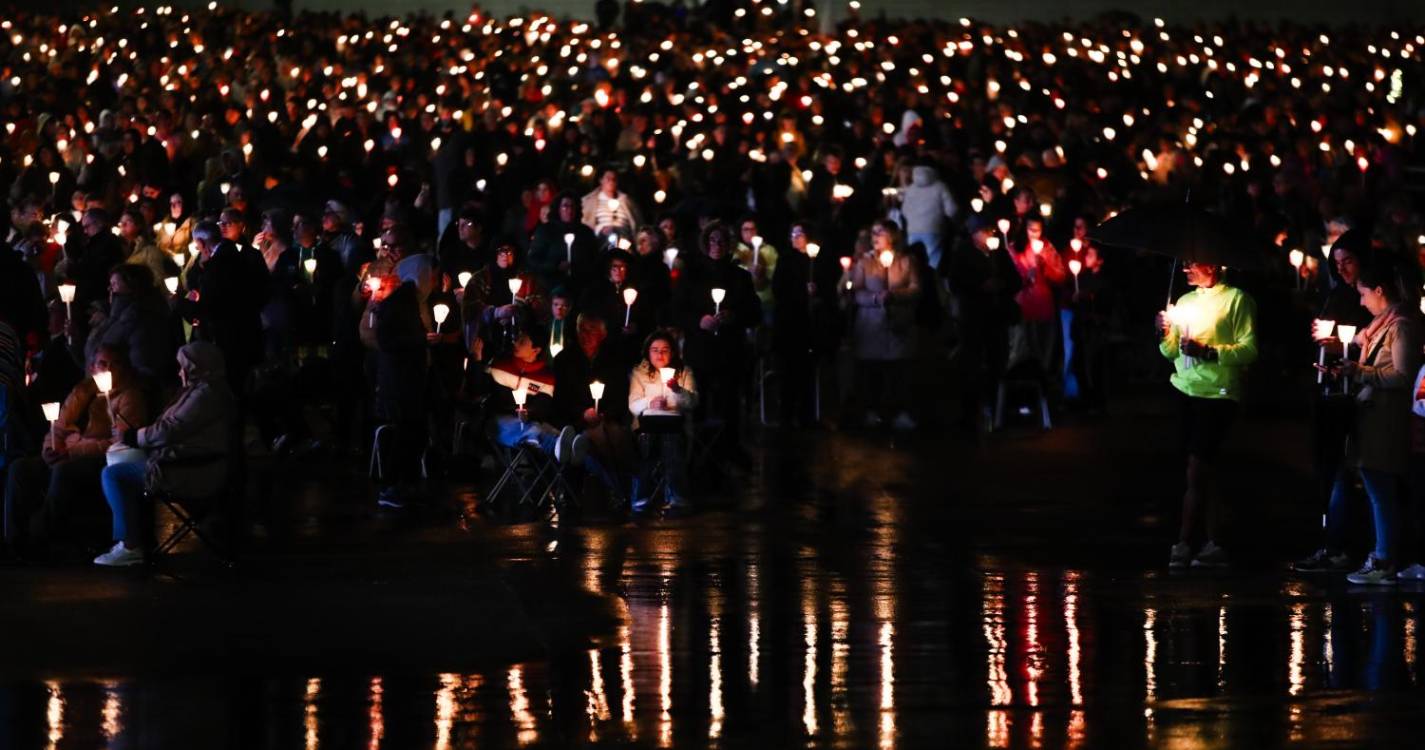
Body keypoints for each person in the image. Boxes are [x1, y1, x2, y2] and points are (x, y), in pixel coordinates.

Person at [1302, 264, 1421, 584]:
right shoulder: (1381, 325)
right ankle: (1383, 555)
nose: (1361, 301)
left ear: (1380, 291)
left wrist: (1358, 371)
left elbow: (1403, 375)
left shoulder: (1402, 327)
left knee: (1380, 490)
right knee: (1376, 489)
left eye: (1364, 293)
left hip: (1384, 418)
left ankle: (1385, 560)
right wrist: (1343, 369)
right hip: (1370, 416)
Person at [94, 341, 234, 567]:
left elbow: (172, 428)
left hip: (189, 469)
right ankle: (138, 538)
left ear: (195, 366)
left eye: (183, 367)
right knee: (122, 469)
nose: (180, 372)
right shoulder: (202, 392)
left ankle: (130, 545)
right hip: (182, 460)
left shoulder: (205, 396)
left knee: (113, 475)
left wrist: (134, 437)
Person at [1158, 262, 1258, 569]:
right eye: (1184, 262)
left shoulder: (1237, 300)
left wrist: (1210, 351)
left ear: (1213, 265)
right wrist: (1164, 333)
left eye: (1193, 261)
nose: (1186, 267)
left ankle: (1184, 542)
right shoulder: (1185, 302)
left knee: (1197, 466)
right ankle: (1215, 542)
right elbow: (1171, 352)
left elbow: (1249, 349)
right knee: (1205, 470)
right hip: (1184, 390)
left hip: (1218, 394)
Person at [4, 345, 148, 556]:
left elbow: (119, 442)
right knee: (21, 468)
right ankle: (13, 541)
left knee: (64, 471)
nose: (108, 369)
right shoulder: (83, 391)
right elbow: (58, 427)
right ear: (92, 368)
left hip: (98, 458)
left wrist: (73, 452)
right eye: (103, 364)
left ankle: (41, 537)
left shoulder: (130, 397)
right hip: (65, 453)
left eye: (115, 364)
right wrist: (49, 449)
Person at [849, 220, 922, 429]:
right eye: (874, 232)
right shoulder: (864, 262)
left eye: (881, 232)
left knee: (898, 372)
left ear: (892, 236)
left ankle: (900, 411)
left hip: (898, 325)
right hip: (872, 327)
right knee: (873, 372)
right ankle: (872, 411)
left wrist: (896, 295)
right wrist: (875, 298)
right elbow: (856, 291)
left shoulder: (906, 261)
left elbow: (916, 288)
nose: (876, 236)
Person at [628, 330, 698, 518]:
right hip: (646, 424)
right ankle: (640, 497)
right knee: (646, 441)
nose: (660, 355)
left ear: (673, 352)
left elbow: (692, 403)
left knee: (671, 439)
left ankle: (677, 497)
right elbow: (633, 405)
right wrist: (650, 402)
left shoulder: (684, 372)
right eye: (655, 350)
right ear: (648, 352)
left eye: (665, 350)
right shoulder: (639, 373)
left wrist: (676, 389)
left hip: (676, 424)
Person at [900, 163, 958, 271]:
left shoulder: (911, 188)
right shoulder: (941, 186)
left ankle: (917, 284)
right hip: (934, 229)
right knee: (933, 264)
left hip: (912, 230)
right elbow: (951, 210)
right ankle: (932, 285)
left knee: (914, 263)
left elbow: (904, 211)